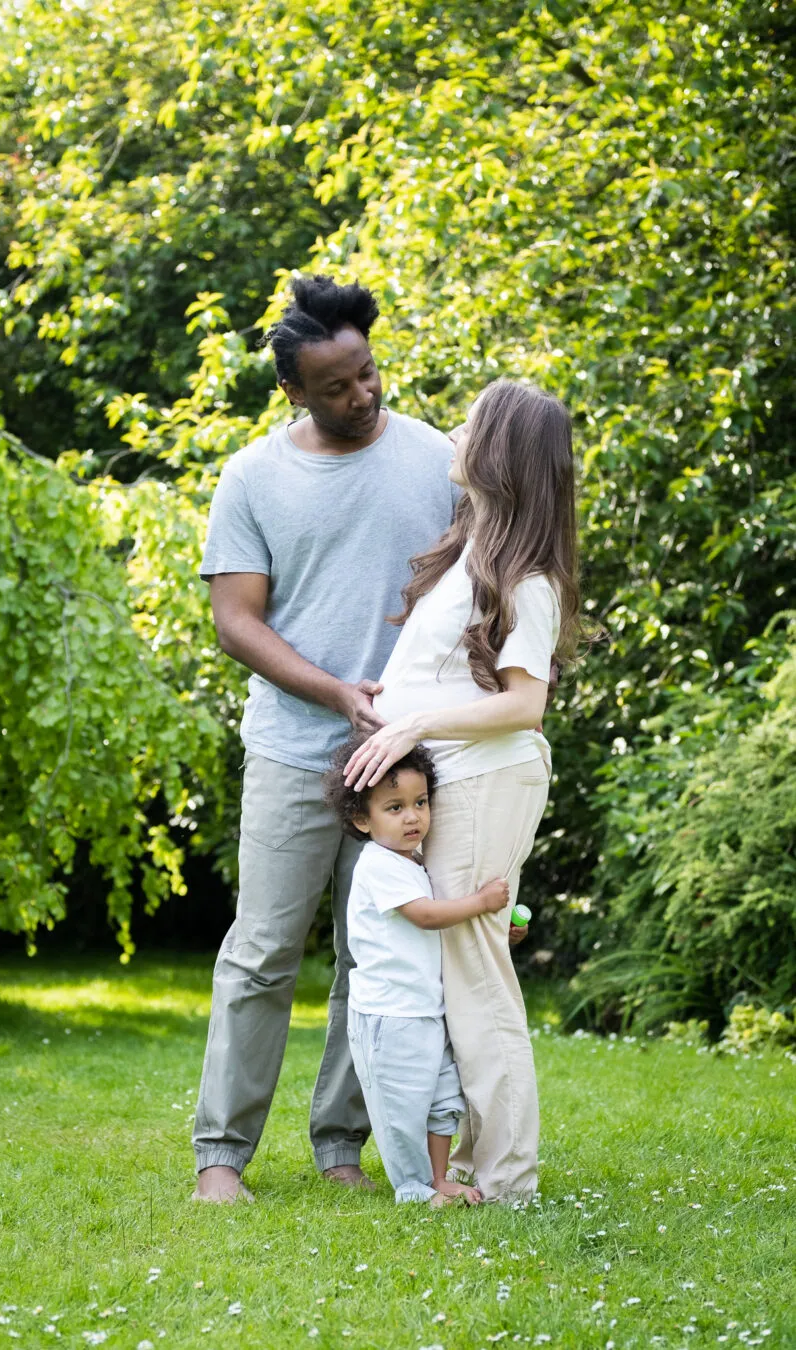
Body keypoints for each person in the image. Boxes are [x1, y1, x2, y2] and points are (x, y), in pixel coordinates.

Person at [192, 276, 460, 1202]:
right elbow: (236, 621)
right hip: (293, 748)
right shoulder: (252, 477)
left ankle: (343, 1144)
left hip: (402, 762)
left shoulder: (438, 459)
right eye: (337, 387)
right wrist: (338, 693)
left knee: (374, 956)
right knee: (263, 950)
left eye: (368, 373)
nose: (362, 395)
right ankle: (221, 1156)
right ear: (292, 391)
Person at [344, 377, 582, 1203]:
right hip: (463, 779)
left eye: (470, 424)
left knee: (477, 977)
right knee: (463, 976)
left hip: (487, 781)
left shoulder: (528, 578)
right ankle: (478, 1169)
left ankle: (508, 1183)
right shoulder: (475, 553)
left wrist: (413, 725)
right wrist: (392, 709)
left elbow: (524, 705)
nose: (453, 433)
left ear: (500, 451)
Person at [323, 736, 510, 1206]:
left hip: (425, 1009)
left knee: (443, 1099)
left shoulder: (417, 865)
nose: (413, 817)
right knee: (402, 1110)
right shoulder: (378, 865)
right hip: (389, 1017)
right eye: (395, 807)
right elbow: (426, 917)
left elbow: (440, 930)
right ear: (362, 819)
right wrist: (481, 902)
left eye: (420, 802)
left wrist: (499, 931)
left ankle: (438, 1179)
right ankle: (412, 1188)